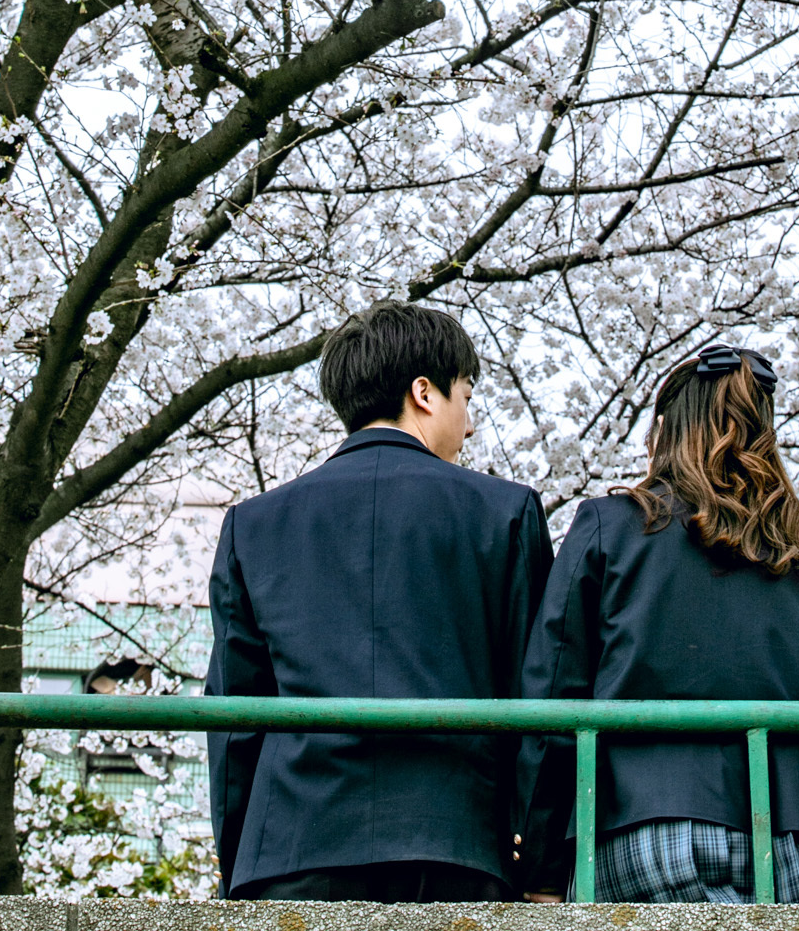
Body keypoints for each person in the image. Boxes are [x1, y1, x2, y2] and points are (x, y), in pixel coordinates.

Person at [206, 300, 554, 903]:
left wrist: (241, 859)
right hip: (455, 843)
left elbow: (234, 718)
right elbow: (537, 697)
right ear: (425, 392)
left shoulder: (253, 525)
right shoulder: (505, 513)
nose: (469, 425)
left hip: (292, 847)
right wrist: (542, 865)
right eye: (465, 398)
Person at [517, 344, 799, 906]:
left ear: (661, 430)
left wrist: (540, 866)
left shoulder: (613, 530)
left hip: (645, 822)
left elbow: (556, 698)